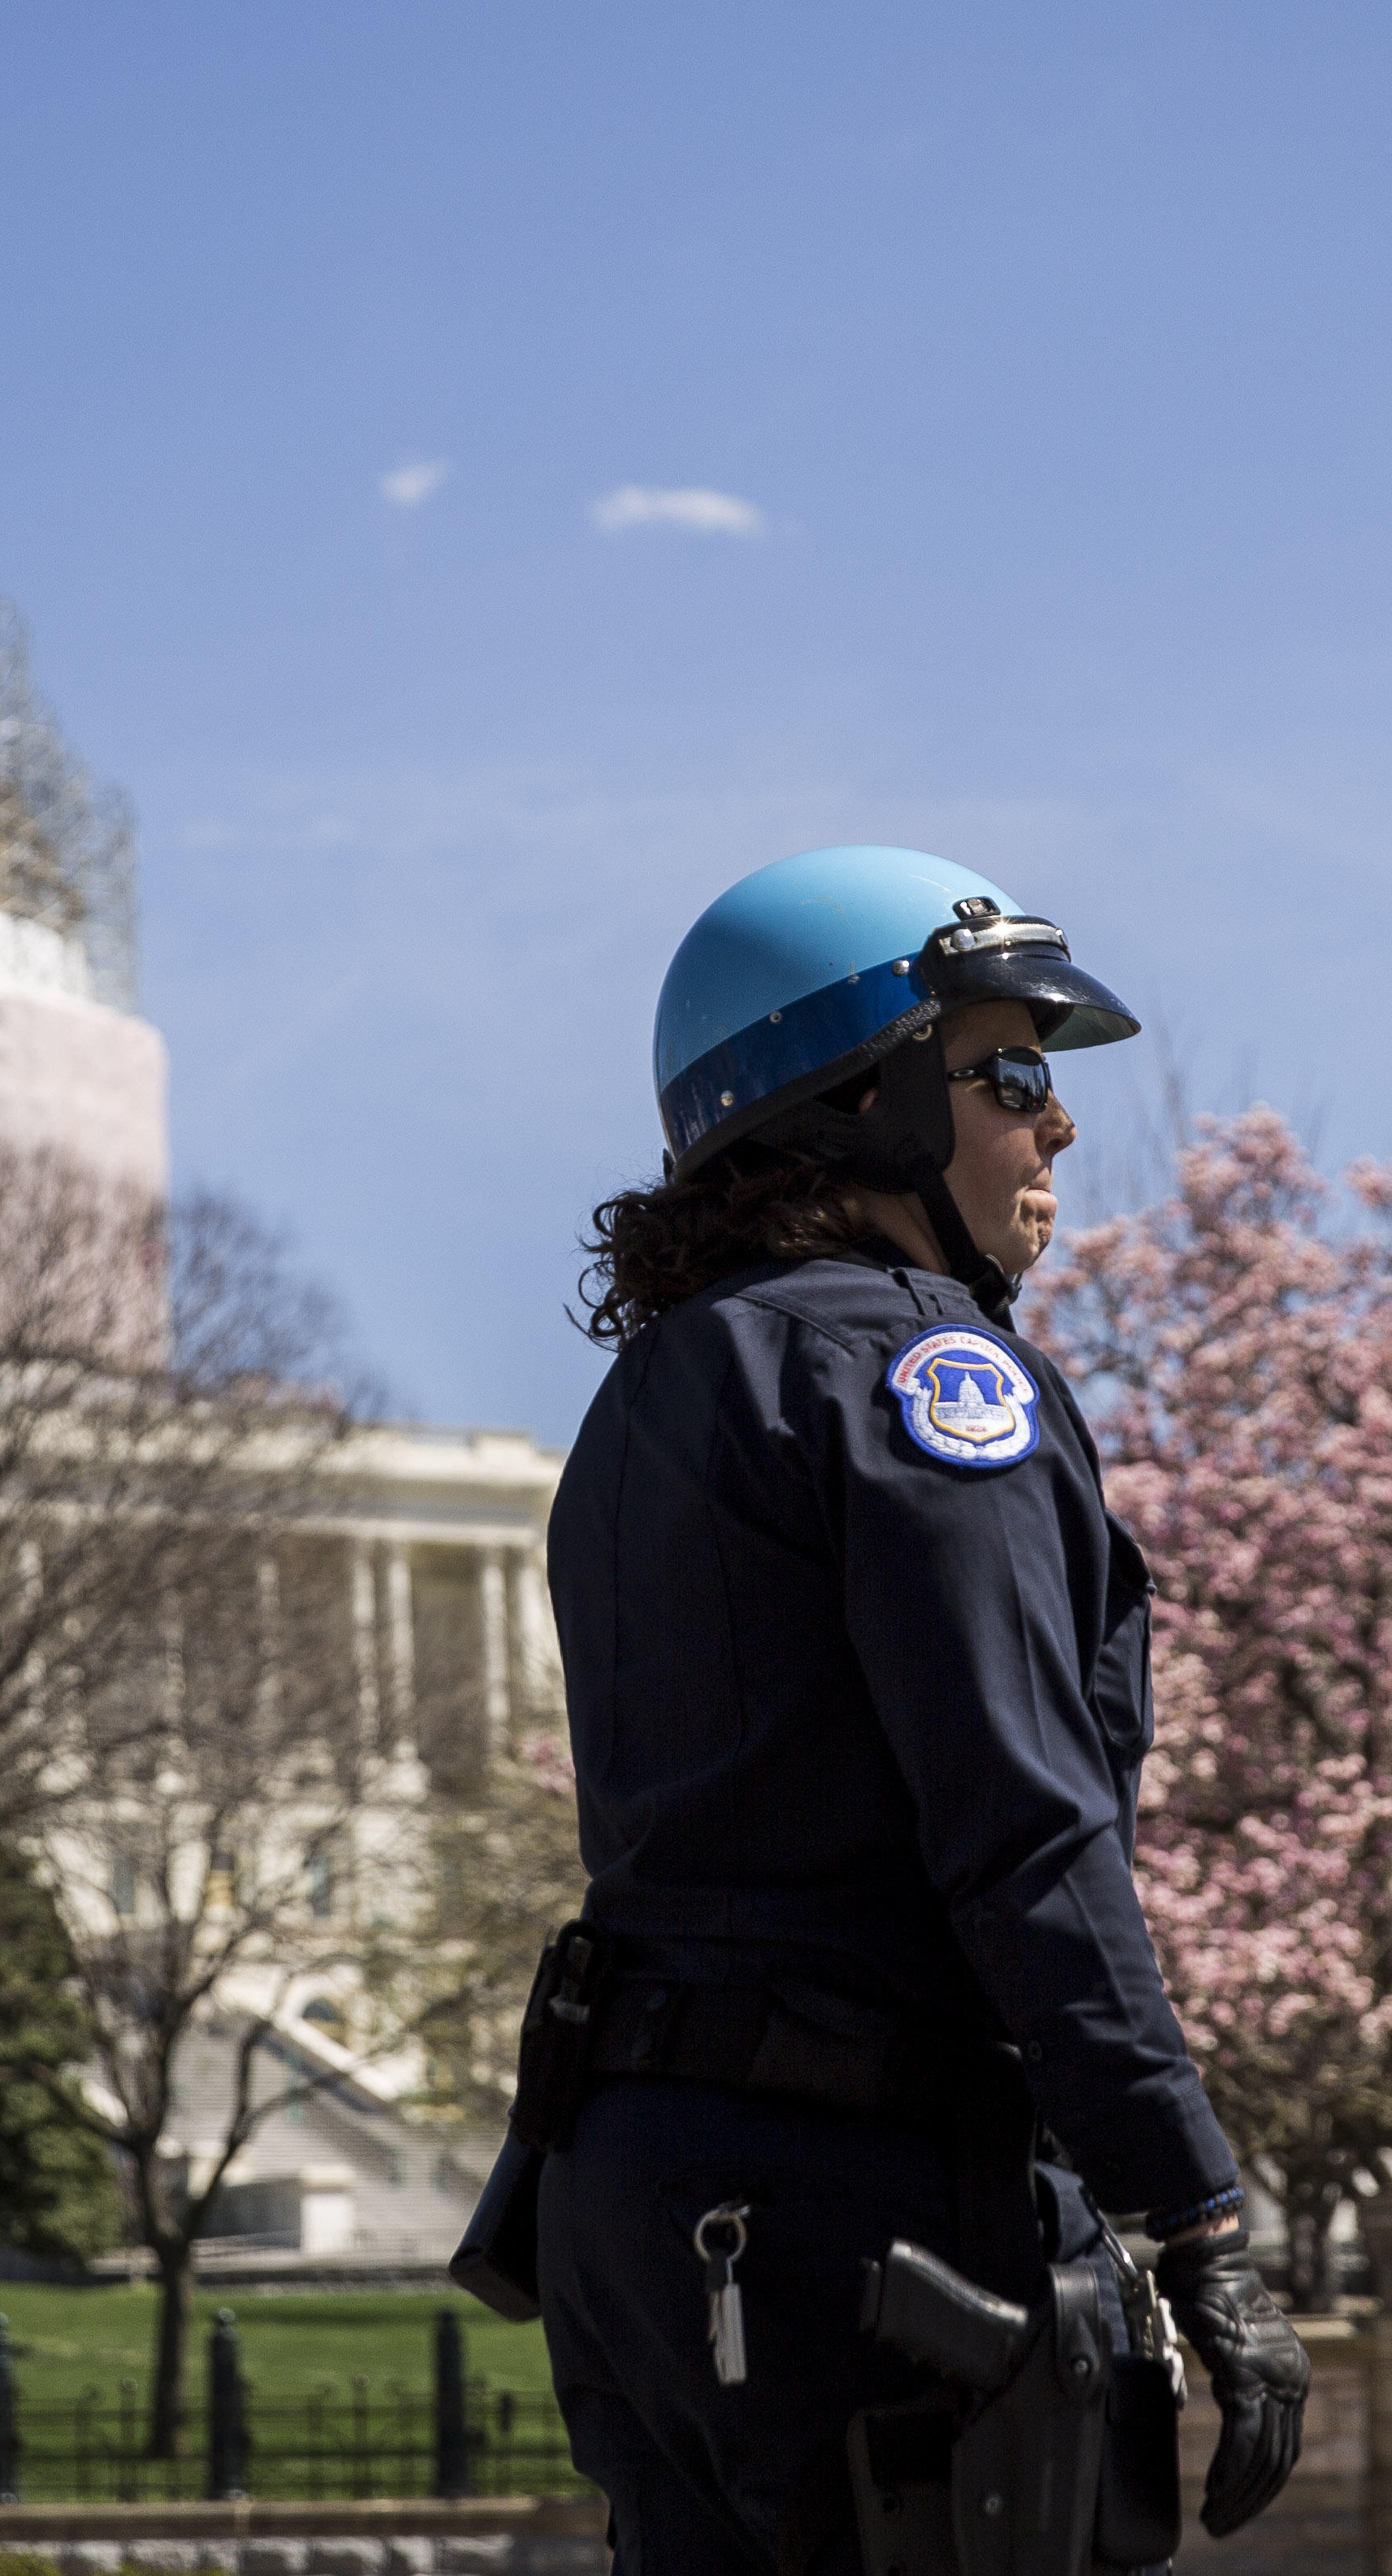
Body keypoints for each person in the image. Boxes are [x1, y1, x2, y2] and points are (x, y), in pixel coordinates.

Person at [529, 844, 1307, 2573]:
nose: (1056, 1126)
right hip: (857, 2213)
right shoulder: (919, 1372)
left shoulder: (651, 1393)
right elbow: (1024, 1825)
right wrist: (1192, 2212)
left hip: (643, 2201)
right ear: (864, 1097)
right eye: (1009, 1071)